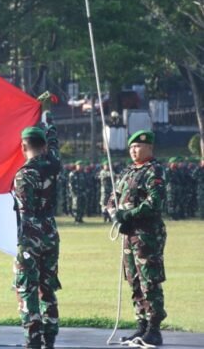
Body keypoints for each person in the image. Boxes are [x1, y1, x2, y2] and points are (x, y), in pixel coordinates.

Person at [107, 130, 167, 346]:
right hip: (128, 234)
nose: (134, 150)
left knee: (149, 280)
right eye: (131, 147)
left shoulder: (154, 170)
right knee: (133, 280)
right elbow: (112, 199)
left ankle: (154, 328)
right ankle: (141, 324)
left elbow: (155, 202)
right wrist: (116, 215)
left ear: (149, 148)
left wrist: (129, 214)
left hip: (146, 235)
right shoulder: (128, 172)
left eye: (138, 146)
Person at [11, 111, 62, 349]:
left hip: (30, 238)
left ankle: (32, 338)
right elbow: (54, 143)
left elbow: (23, 212)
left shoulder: (24, 175)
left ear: (23, 146)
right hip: (51, 234)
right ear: (43, 145)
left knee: (27, 288)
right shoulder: (54, 165)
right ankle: (49, 336)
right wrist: (48, 120)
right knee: (48, 286)